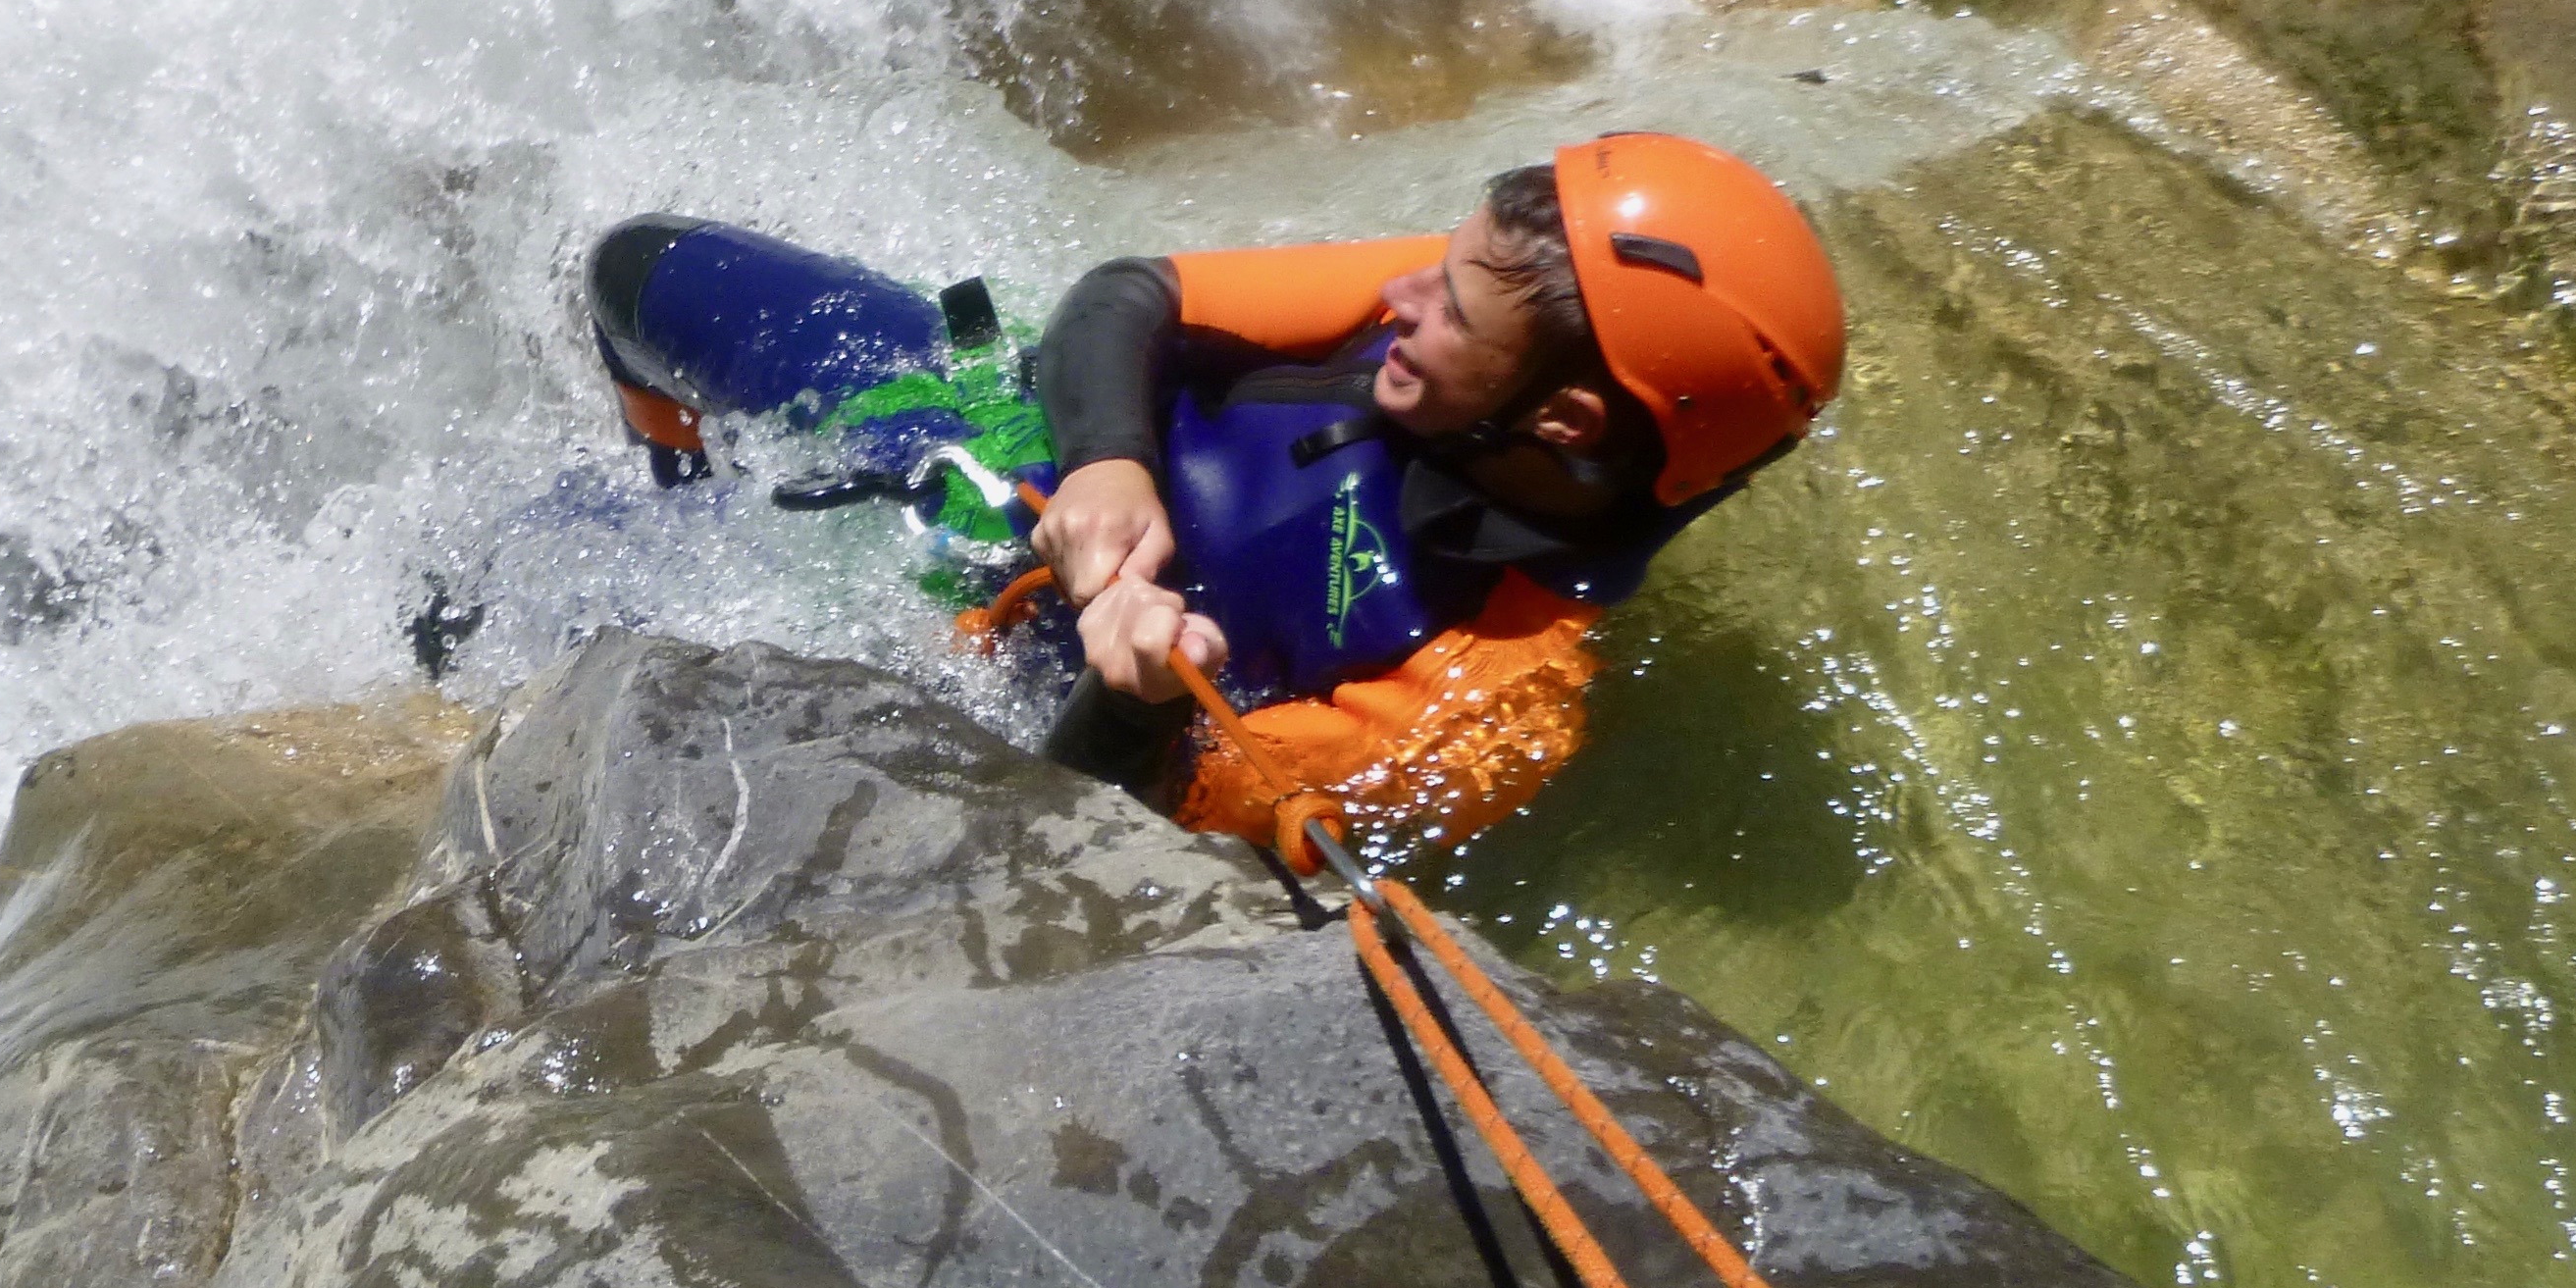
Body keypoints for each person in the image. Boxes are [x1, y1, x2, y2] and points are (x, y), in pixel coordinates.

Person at [588, 132, 1844, 854]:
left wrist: (1131, 697)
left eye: (1450, 306)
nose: (1404, 292)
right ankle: (677, 491)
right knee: (632, 269)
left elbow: (1085, 834)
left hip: (958, 703)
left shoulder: (1485, 702)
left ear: (1564, 420)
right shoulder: (1483, 312)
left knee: (502, 638)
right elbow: (1129, 294)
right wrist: (1108, 460)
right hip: (991, 436)